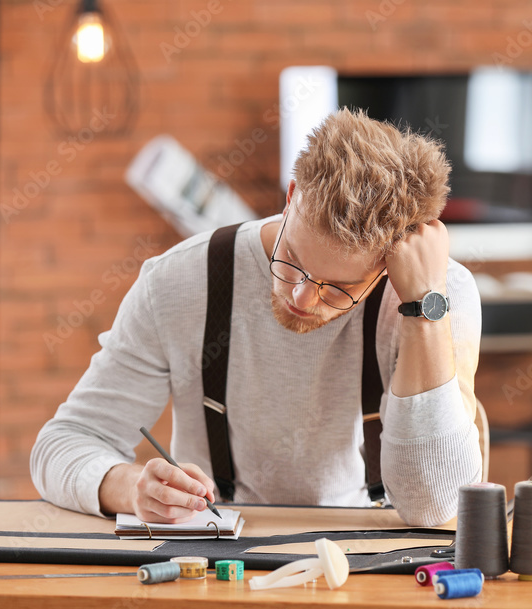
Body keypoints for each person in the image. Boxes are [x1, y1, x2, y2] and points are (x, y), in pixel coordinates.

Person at [31, 108, 483, 527]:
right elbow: (64, 444)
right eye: (292, 260)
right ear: (291, 198)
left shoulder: (438, 296)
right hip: (211, 556)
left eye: (339, 288)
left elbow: (434, 504)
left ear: (389, 263)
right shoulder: (178, 281)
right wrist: (133, 489)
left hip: (365, 555)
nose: (303, 298)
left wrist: (423, 308)